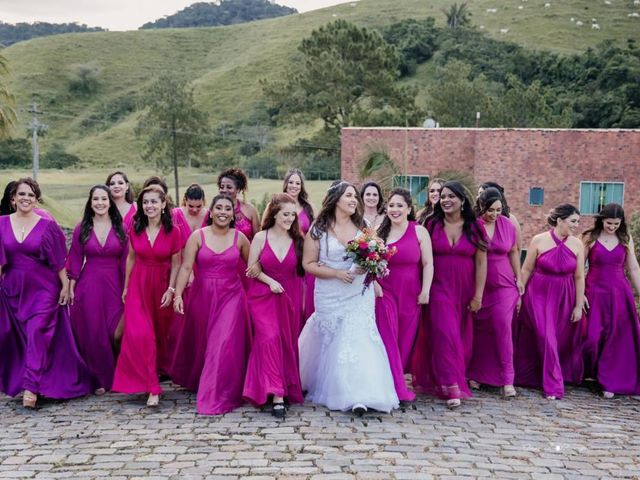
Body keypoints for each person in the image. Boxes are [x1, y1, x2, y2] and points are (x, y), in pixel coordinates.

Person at [298, 180, 399, 415]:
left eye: (355, 196)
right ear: (336, 200)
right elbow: (308, 264)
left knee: (357, 336)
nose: (354, 200)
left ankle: (360, 394)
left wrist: (370, 266)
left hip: (357, 293)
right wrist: (335, 273)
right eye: (349, 196)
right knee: (331, 337)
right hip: (329, 291)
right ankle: (326, 383)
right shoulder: (318, 228)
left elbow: (373, 253)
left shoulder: (363, 225)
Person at [0, 178, 92, 408]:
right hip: (14, 290)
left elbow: (59, 261)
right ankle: (44, 380)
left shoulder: (46, 225)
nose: (26, 198)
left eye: (31, 195)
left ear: (37, 199)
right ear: (13, 199)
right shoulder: (1, 224)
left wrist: (64, 286)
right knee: (23, 338)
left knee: (38, 331)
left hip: (44, 289)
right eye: (21, 194)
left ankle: (30, 388)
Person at [171, 194, 251, 415]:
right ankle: (201, 380)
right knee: (204, 343)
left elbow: (253, 269)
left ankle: (216, 395)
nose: (223, 212)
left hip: (232, 296)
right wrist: (177, 294)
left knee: (221, 341)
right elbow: (186, 268)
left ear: (232, 214)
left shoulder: (241, 238)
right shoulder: (198, 236)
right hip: (203, 296)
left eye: (227, 208)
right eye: (219, 208)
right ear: (211, 211)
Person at [411, 181, 487, 409]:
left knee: (461, 338)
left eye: (451, 196)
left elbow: (482, 263)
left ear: (463, 200)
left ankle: (445, 378)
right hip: (438, 287)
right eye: (443, 196)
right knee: (446, 334)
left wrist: (478, 296)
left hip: (465, 289)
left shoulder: (475, 227)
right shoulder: (431, 224)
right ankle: (451, 385)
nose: (446, 200)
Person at [112, 185, 182, 407]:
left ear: (163, 205)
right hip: (138, 287)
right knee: (142, 335)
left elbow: (177, 263)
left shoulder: (174, 231)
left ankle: (156, 373)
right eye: (145, 202)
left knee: (160, 336)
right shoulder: (136, 227)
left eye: (153, 202)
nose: (149, 206)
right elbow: (131, 258)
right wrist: (125, 287)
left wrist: (171, 290)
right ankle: (152, 387)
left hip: (161, 287)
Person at [243, 193, 306, 418]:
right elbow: (252, 270)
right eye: (285, 214)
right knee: (268, 338)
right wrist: (270, 282)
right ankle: (276, 393)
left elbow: (307, 268)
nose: (289, 218)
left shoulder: (299, 240)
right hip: (263, 295)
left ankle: (282, 386)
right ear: (274, 214)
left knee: (286, 343)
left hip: (290, 296)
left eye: (292, 214)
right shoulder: (260, 237)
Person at [514, 204, 585, 400]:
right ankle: (553, 386)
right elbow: (526, 269)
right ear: (560, 220)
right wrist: (519, 294)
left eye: (578, 222)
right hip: (538, 294)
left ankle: (533, 376)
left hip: (564, 297)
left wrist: (578, 306)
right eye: (573, 221)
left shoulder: (577, 244)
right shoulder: (539, 240)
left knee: (557, 339)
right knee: (547, 337)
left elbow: (579, 277)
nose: (576, 225)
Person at [67, 185, 128, 394]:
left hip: (115, 285)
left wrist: (127, 287)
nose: (100, 203)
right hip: (89, 285)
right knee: (94, 333)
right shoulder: (81, 227)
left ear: (110, 202)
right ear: (90, 202)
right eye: (96, 199)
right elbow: (74, 259)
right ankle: (101, 379)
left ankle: (121, 372)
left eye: (104, 199)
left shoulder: (122, 228)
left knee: (116, 332)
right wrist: (70, 288)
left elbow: (127, 260)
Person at [375, 188, 433, 403]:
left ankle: (395, 380)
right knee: (387, 336)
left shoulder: (419, 231)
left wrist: (426, 290)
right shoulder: (379, 233)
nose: (395, 209)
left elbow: (428, 263)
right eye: (391, 205)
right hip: (385, 291)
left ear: (409, 209)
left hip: (411, 294)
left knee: (405, 341)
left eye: (400, 205)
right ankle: (393, 388)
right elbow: (367, 262)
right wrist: (373, 284)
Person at [467, 188, 523, 397]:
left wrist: (519, 279)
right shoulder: (473, 226)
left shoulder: (507, 225)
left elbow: (514, 251)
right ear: (481, 207)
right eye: (490, 210)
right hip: (479, 285)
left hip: (505, 285)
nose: (495, 214)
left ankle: (507, 379)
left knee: (502, 326)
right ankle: (478, 374)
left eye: (498, 210)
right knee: (480, 329)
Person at [582, 203, 640, 397]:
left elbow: (633, 269)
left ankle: (609, 380)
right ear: (601, 220)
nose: (612, 227)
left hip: (619, 293)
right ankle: (590, 374)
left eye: (616, 223)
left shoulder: (625, 238)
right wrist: (579, 293)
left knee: (616, 337)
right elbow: (579, 268)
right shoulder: (590, 237)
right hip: (593, 291)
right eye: (609, 223)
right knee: (592, 337)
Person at [266, 168, 315, 321]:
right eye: (291, 182)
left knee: (302, 302)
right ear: (285, 184)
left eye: (297, 183)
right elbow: (266, 230)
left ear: (302, 186)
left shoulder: (308, 207)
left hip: (303, 257)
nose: (294, 186)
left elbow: (316, 234)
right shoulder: (273, 205)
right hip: (280, 258)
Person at [477, 181, 522, 251]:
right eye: (478, 194)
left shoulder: (510, 220)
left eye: (482, 193)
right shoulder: (475, 220)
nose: (479, 197)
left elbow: (517, 248)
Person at [217, 168, 259, 241]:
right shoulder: (213, 211)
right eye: (222, 187)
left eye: (229, 187)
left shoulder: (250, 210)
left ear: (238, 189)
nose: (224, 190)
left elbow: (258, 239)